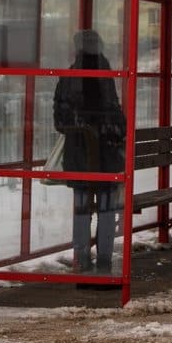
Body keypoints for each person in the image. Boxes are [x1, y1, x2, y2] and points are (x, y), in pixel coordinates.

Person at [53, 30, 126, 277]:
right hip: (106, 157)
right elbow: (117, 116)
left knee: (82, 208)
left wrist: (81, 128)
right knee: (106, 208)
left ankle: (81, 259)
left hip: (79, 155)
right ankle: (104, 259)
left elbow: (60, 121)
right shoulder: (107, 74)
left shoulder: (69, 76)